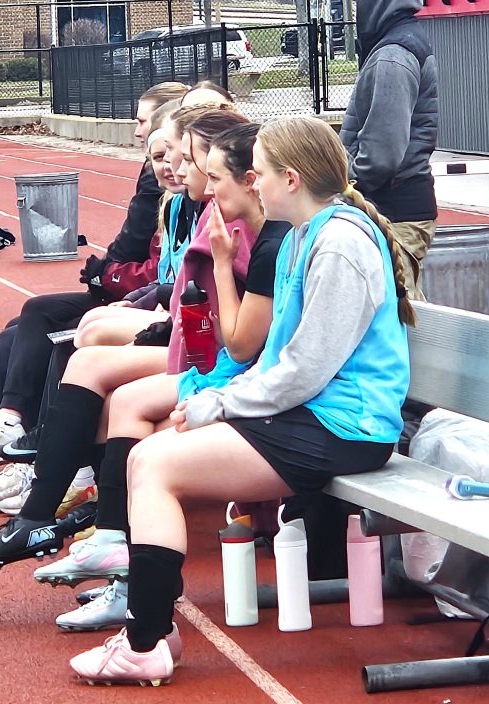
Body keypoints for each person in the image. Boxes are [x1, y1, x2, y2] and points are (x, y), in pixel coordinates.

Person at [70, 115, 415, 685]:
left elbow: (305, 367)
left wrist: (225, 405)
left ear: (292, 179)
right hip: (316, 416)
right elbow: (283, 360)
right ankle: (153, 629)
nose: (251, 181)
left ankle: (146, 640)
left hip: (349, 428)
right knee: (147, 456)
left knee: (155, 464)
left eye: (259, 172)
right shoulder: (309, 234)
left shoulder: (340, 244)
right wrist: (220, 397)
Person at [0, 107, 255, 572]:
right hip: (201, 354)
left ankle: (79, 512)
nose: (175, 169)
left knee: (105, 376)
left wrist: (171, 316)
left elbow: (235, 338)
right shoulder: (205, 214)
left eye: (189, 161)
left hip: (220, 367)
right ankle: (61, 510)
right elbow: (185, 295)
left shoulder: (245, 231)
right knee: (81, 348)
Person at [0, 82, 191, 501]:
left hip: (155, 316)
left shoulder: (175, 192)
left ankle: (33, 465)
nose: (137, 130)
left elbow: (152, 264)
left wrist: (109, 278)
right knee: (19, 330)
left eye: (143, 121)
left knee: (50, 335)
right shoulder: (174, 200)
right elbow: (156, 264)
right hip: (142, 301)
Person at [340, 0, 437, 299]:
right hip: (392, 206)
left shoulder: (393, 56)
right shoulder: (393, 46)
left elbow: (381, 153)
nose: (353, 1)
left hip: (392, 210)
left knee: (396, 316)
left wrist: (346, 186)